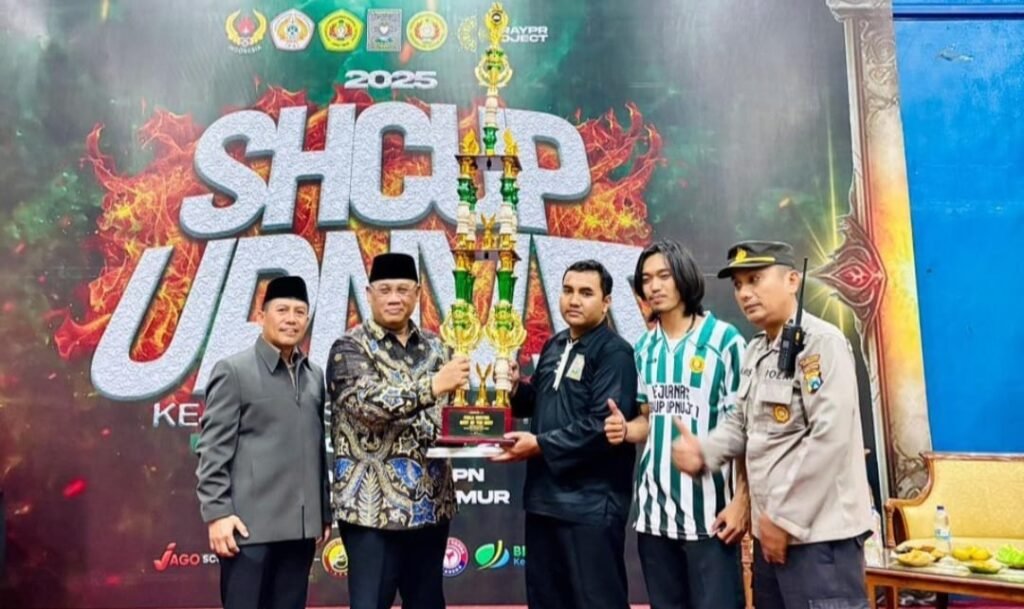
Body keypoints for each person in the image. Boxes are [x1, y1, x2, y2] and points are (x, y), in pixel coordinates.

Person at [671, 241, 872, 609]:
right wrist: (705, 451)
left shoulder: (821, 344)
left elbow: (829, 439)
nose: (745, 293)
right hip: (772, 536)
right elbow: (740, 423)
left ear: (793, 280)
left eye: (755, 280)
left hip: (818, 541)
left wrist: (784, 518)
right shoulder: (756, 350)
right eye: (738, 285)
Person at [605, 240, 748, 609]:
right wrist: (627, 430)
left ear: (684, 276)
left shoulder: (725, 341)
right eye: (646, 279)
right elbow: (649, 420)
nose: (654, 286)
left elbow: (745, 430)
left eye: (664, 276)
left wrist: (741, 501)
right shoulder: (644, 349)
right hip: (654, 518)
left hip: (712, 519)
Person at [328, 252, 470, 609]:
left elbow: (452, 415)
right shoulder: (349, 347)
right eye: (385, 289)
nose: (394, 298)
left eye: (403, 289)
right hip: (372, 513)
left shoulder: (439, 348)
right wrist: (433, 386)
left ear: (418, 293)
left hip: (431, 508)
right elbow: (368, 406)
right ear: (369, 293)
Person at [493, 259, 638, 609]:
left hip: (591, 506)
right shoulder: (555, 344)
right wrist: (515, 388)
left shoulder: (615, 353)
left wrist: (539, 445)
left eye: (586, 293)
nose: (574, 300)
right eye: (568, 290)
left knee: (596, 602)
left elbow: (601, 425)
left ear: (606, 302)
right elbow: (540, 402)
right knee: (546, 601)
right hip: (544, 501)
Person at [196, 275, 331, 609]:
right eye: (282, 310)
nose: (291, 319)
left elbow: (316, 448)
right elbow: (212, 450)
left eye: (300, 312)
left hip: (300, 533)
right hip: (248, 532)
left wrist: (323, 513)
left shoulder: (314, 375)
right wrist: (217, 514)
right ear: (261, 315)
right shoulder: (234, 371)